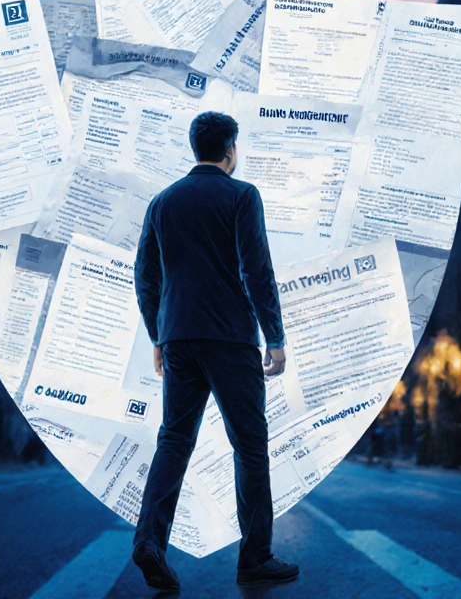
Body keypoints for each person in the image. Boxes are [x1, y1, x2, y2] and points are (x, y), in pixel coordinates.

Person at [131, 111, 299, 592]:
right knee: (249, 444)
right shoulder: (242, 195)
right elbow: (256, 269)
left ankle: (150, 541)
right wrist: (275, 337)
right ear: (230, 150)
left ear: (195, 148)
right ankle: (255, 558)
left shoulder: (162, 202)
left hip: (179, 337)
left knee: (174, 440)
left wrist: (158, 336)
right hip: (231, 338)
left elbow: (146, 277)